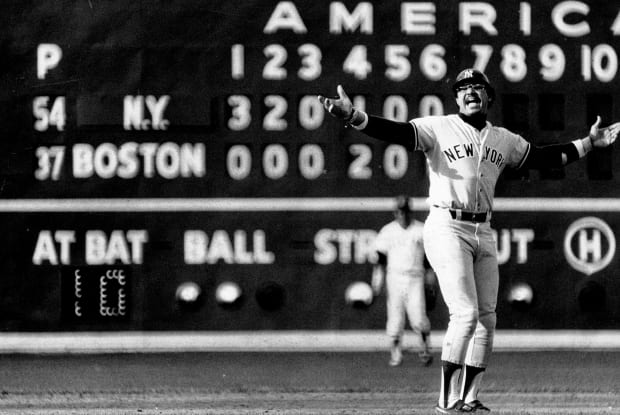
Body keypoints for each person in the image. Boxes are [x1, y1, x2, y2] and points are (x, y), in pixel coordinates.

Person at [318, 68, 620, 413]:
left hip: (483, 229)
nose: (470, 91)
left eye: (477, 86)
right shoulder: (439, 127)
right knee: (465, 314)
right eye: (463, 88)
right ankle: (446, 402)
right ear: (457, 97)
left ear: (489, 96)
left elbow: (541, 158)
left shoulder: (503, 138)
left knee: (487, 318)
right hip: (447, 225)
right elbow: (398, 132)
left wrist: (589, 144)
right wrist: (354, 116)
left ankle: (470, 397)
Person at [371, 195, 435, 367]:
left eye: (406, 211)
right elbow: (380, 261)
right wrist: (376, 285)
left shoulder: (421, 230)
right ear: (395, 213)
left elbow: (428, 261)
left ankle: (425, 348)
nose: (403, 214)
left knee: (418, 318)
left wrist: (431, 282)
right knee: (395, 320)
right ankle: (396, 354)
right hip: (395, 278)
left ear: (410, 211)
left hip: (415, 277)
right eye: (400, 211)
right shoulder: (388, 231)